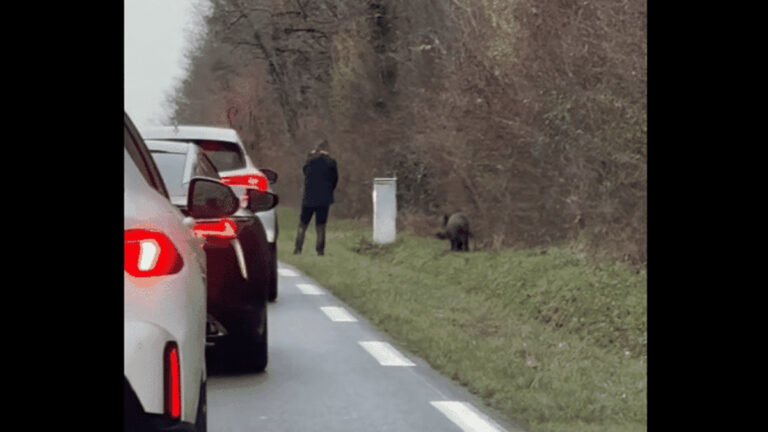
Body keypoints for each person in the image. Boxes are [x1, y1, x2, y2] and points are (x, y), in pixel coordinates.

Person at [294, 140, 338, 256]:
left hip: (309, 198)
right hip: (324, 199)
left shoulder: (311, 162)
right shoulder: (331, 163)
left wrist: (310, 156)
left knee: (302, 225)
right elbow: (335, 180)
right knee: (321, 226)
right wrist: (328, 191)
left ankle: (298, 249)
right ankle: (320, 251)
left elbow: (304, 171)